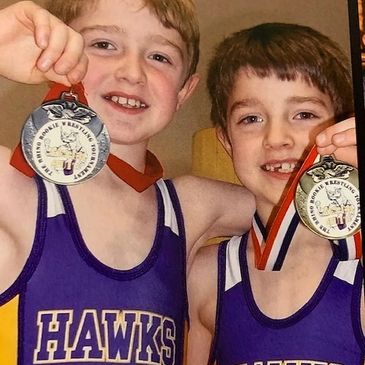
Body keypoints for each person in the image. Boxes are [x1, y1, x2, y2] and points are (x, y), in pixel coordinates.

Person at [0, 1, 256, 364]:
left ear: (184, 91)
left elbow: (314, 210)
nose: (132, 72)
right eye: (104, 44)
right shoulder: (12, 189)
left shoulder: (189, 206)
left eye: (160, 57)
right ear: (56, 53)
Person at [187, 23, 365, 364]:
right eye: (251, 118)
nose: (277, 138)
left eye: (304, 114)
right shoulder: (204, 276)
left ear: (342, 130)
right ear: (225, 140)